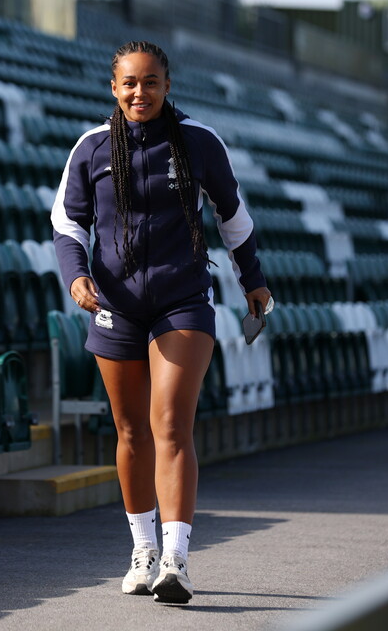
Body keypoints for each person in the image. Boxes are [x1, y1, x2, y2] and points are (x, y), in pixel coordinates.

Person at [51, 40, 271, 604]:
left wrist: (253, 281)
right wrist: (77, 275)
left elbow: (234, 219)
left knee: (169, 425)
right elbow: (67, 223)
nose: (139, 92)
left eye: (150, 82)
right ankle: (142, 550)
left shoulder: (199, 141)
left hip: (183, 298)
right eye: (129, 83)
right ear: (113, 88)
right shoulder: (92, 147)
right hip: (115, 305)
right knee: (129, 431)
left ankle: (176, 560)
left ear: (168, 86)